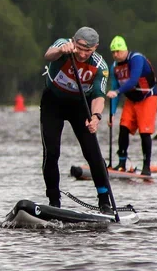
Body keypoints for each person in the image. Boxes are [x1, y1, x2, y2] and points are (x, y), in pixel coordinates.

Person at [40, 26, 114, 210]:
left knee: (92, 153)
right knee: (52, 152)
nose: (82, 54)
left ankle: (104, 201)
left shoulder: (100, 66)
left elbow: (98, 96)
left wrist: (96, 117)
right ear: (73, 41)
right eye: (79, 48)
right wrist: (61, 51)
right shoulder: (64, 45)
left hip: (80, 105)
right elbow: (48, 55)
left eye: (87, 50)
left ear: (95, 47)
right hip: (53, 102)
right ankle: (54, 201)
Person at [105, 35, 157, 175]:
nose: (115, 55)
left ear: (125, 50)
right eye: (113, 52)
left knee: (144, 132)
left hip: (147, 97)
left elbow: (133, 80)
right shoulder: (114, 67)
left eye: (118, 51)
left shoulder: (136, 59)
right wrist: (112, 114)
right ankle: (121, 163)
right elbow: (114, 88)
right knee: (123, 128)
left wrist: (117, 92)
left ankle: (146, 167)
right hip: (132, 100)